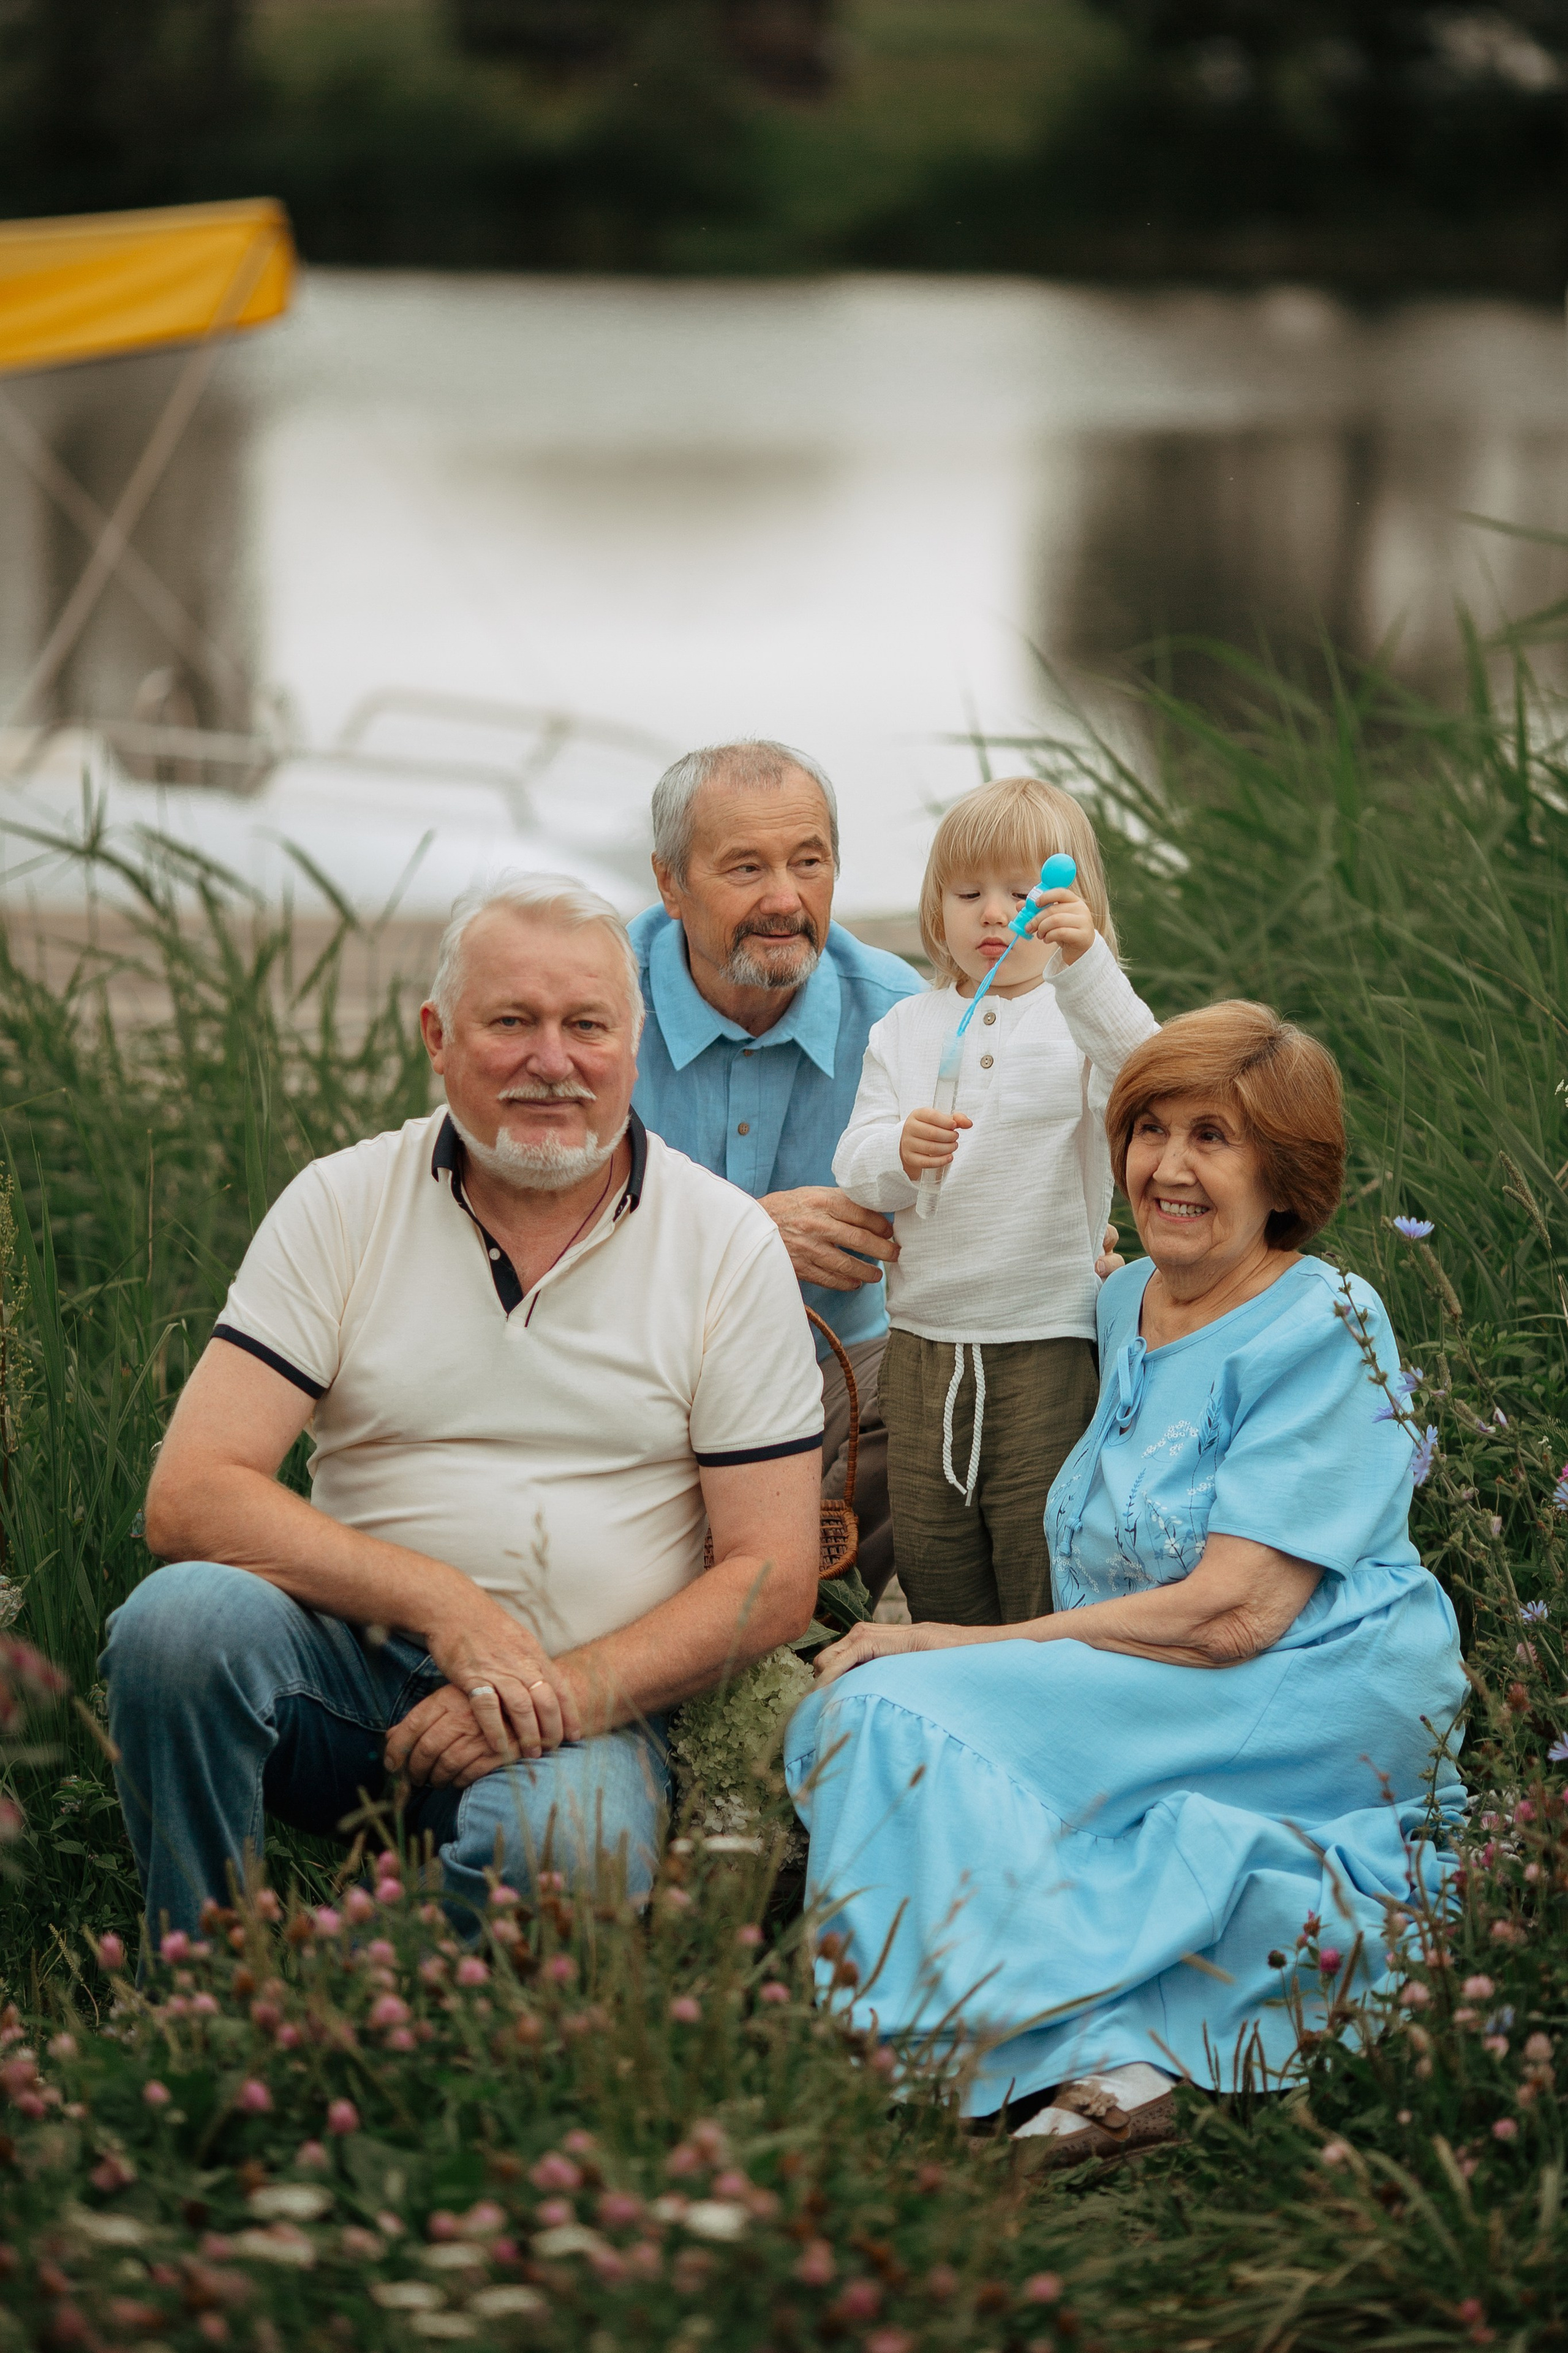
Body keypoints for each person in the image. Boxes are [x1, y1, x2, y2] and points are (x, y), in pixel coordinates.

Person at [785, 1002, 1466, 2160]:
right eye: (1149, 1130)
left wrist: (953, 1641)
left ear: (1283, 1170)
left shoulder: (1327, 1317)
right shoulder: (1117, 1300)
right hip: (1152, 1661)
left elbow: (1240, 1610)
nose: (1169, 1164)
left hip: (1306, 1674)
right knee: (871, 1722)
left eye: (1214, 1136)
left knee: (883, 1702)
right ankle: (1092, 2046)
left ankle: (1004, 2038)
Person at [104, 876, 824, 1940]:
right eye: (511, 1023)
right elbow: (192, 1495)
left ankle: (436, 2054)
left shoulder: (723, 1243)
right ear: (438, 1037)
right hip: (342, 1668)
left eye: (587, 1025)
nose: (552, 1060)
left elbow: (771, 1578)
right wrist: (453, 1608)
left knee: (568, 1841)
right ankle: (202, 1991)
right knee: (176, 1627)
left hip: (583, 1709)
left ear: (635, 1046)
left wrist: (552, 1692)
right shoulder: (342, 1201)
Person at [832, 777, 1156, 1624]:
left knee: (1038, 1546)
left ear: (1068, 908)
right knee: (935, 1554)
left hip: (1045, 1333)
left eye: (1024, 894)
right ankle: (954, 1702)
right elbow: (856, 1163)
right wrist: (899, 1153)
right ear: (935, 908)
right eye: (968, 892)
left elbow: (1148, 1074)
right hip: (925, 1340)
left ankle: (1039, 1700)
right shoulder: (906, 1027)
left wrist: (1088, 968)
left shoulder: (1080, 1022)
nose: (993, 913)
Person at [628, 739, 924, 1600]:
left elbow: (973, 1193)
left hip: (831, 1383)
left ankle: (817, 1614)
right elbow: (526, 1229)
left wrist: (1045, 1229)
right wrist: (747, 1233)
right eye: (746, 868)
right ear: (669, 883)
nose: (785, 900)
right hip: (628, 1370)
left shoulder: (901, 1016)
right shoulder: (595, 1005)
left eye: (809, 862)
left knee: (946, 1384)